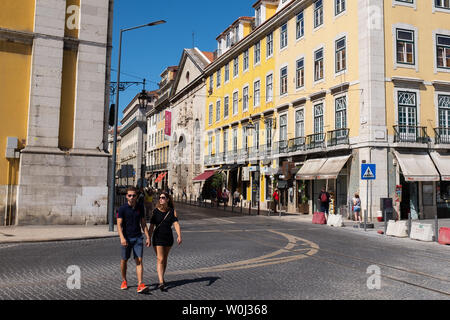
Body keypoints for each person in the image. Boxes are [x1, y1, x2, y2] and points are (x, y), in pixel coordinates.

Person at [117, 187, 151, 293]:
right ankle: (124, 280)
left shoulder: (140, 207)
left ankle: (140, 284)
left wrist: (148, 236)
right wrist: (122, 238)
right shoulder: (122, 209)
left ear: (137, 196)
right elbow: (119, 225)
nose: (132, 197)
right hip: (126, 238)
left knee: (139, 260)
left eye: (134, 195)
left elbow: (143, 223)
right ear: (126, 196)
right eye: (129, 195)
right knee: (124, 260)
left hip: (137, 238)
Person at [149, 191, 182, 291]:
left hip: (168, 238)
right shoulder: (155, 211)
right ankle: (161, 282)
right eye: (160, 198)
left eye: (163, 197)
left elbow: (176, 224)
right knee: (160, 259)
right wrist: (148, 237)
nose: (161, 199)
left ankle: (161, 277)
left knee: (165, 258)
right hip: (157, 237)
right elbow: (151, 226)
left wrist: (179, 235)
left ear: (167, 199)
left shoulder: (172, 211)